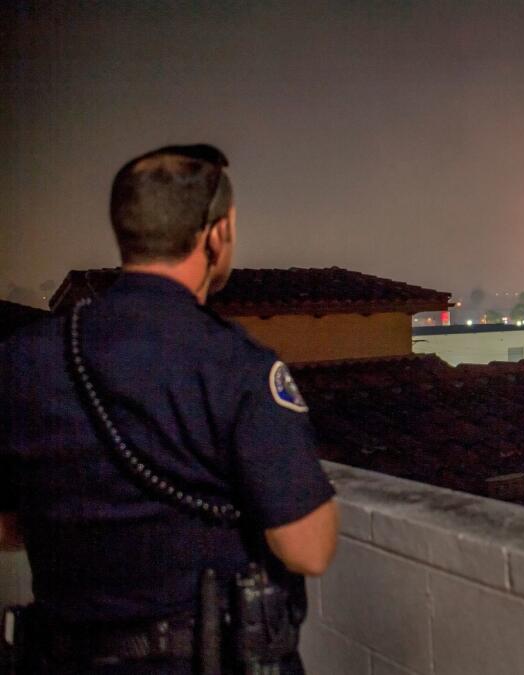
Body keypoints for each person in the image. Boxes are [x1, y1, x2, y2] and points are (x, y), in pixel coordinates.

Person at [0, 144, 339, 673]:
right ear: (217, 233)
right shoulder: (234, 363)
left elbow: (7, 528)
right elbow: (308, 549)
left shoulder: (23, 358)